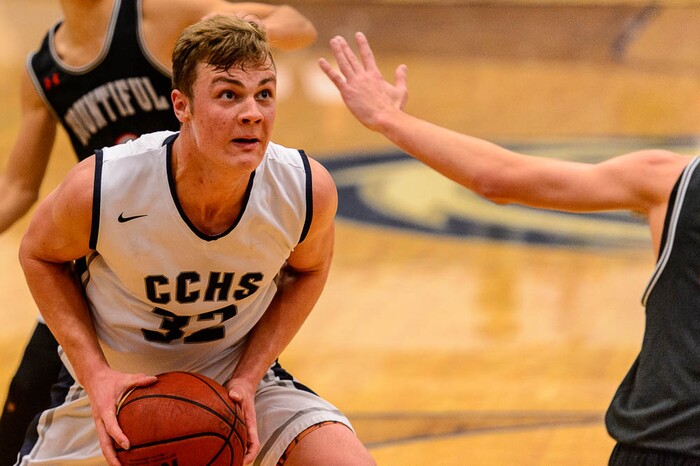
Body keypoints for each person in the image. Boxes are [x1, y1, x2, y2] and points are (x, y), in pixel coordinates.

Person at [320, 32, 700, 465]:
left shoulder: (668, 181)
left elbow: (499, 177)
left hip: (665, 448)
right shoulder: (668, 181)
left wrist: (389, 119)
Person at [17, 15, 374, 466]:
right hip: (115, 390)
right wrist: (96, 375)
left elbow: (311, 270)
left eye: (264, 94)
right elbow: (37, 254)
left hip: (236, 383)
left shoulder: (304, 189)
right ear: (181, 106)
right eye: (229, 95)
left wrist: (248, 376)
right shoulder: (105, 184)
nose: (252, 113)